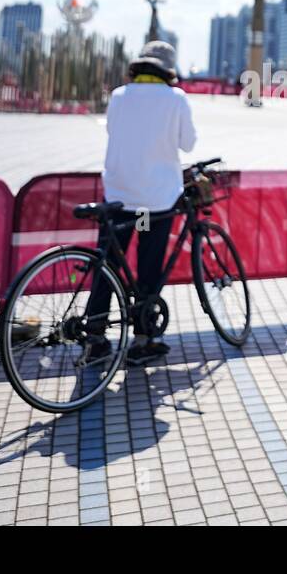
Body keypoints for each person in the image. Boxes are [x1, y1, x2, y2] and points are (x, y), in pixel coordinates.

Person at [85, 40, 197, 368]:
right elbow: (188, 144)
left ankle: (95, 338)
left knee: (107, 265)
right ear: (168, 70)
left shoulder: (119, 96)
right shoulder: (176, 99)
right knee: (148, 265)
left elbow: (113, 131)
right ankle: (143, 339)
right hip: (153, 202)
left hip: (118, 197)